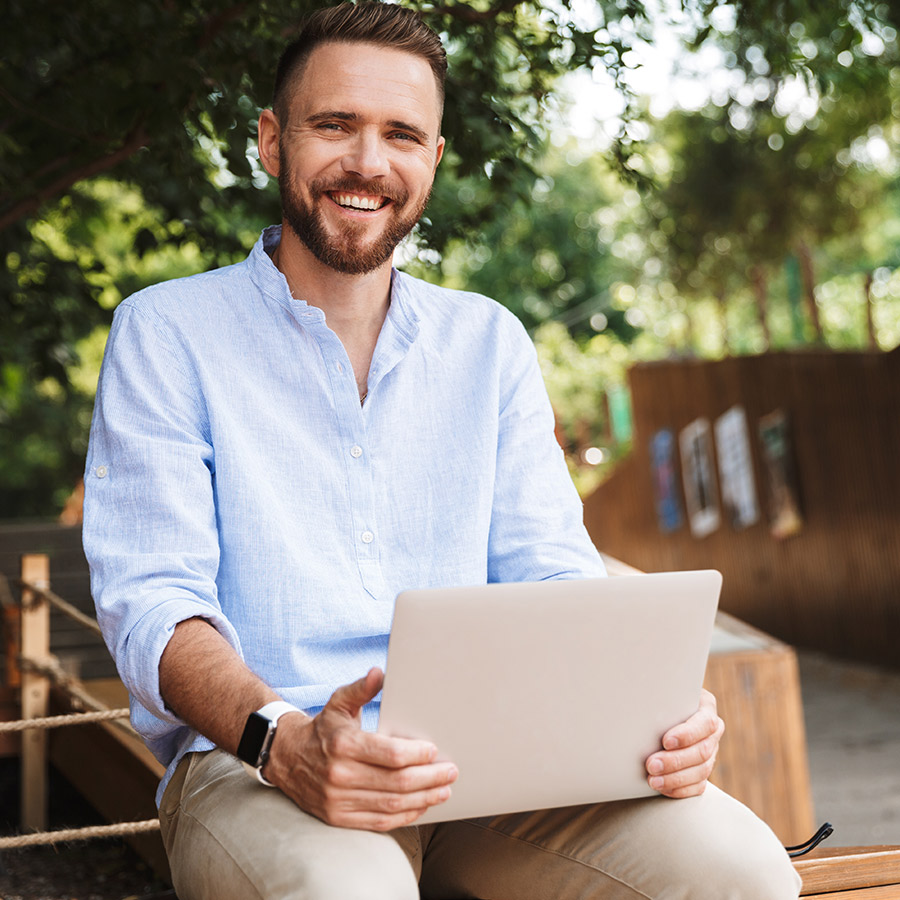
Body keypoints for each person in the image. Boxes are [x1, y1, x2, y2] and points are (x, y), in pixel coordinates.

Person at [83, 3, 802, 898]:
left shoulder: (489, 343)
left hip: (498, 768)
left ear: (433, 159)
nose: (367, 163)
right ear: (271, 141)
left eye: (401, 134)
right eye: (334, 125)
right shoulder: (166, 333)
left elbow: (552, 573)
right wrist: (282, 739)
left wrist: (651, 709)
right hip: (261, 765)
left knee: (744, 872)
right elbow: (154, 601)